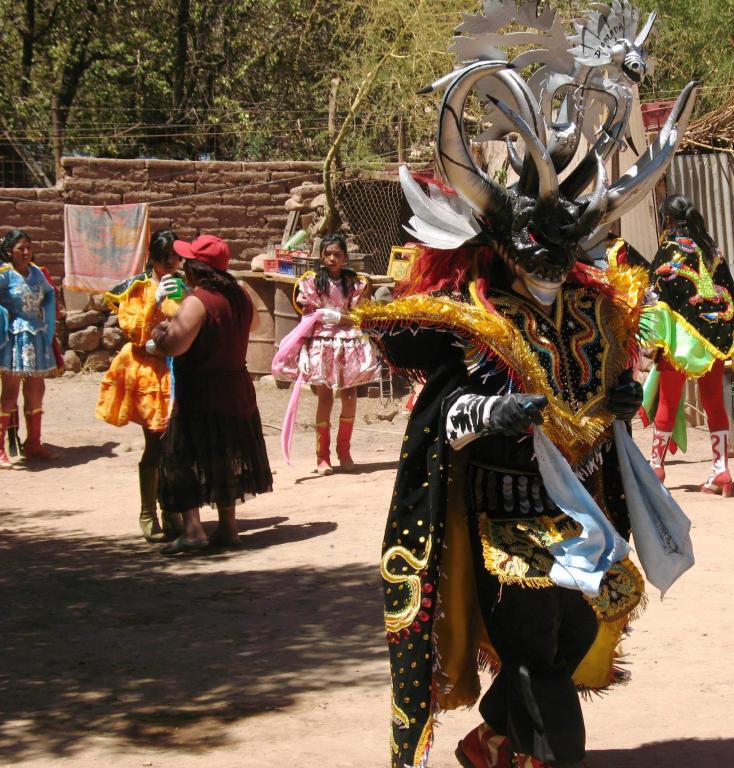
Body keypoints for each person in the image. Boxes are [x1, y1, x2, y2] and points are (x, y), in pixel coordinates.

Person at [356, 58, 697, 768]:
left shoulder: (595, 311)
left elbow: (600, 397)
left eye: (561, 246)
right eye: (533, 244)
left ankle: (491, 739)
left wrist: (620, 404)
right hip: (502, 522)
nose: (546, 259)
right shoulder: (476, 320)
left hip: (580, 518)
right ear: (501, 243)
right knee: (539, 665)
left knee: (572, 642)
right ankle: (552, 756)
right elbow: (441, 413)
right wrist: (492, 412)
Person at [148, 234, 273, 554]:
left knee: (184, 458)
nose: (183, 267)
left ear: (197, 268)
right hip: (236, 389)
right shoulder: (241, 296)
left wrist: (157, 334)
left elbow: (176, 344)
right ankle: (228, 528)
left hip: (201, 393)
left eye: (187, 262)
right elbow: (256, 326)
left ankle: (193, 531)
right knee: (227, 457)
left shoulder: (198, 301)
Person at [637, 195, 734, 496]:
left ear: (669, 221)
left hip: (679, 345)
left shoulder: (669, 250)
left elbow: (655, 297)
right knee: (714, 400)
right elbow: (731, 294)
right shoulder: (712, 250)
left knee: (668, 401)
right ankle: (721, 471)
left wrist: (652, 341)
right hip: (713, 341)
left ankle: (656, 468)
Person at [95, 229, 183, 541]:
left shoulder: (182, 285)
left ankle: (171, 509)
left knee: (177, 447)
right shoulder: (137, 289)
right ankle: (149, 511)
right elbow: (133, 330)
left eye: (176, 256)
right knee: (156, 445)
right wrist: (154, 304)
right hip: (148, 373)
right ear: (155, 259)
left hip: (177, 371)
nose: (172, 262)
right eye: (167, 258)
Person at [279, 233, 379, 473]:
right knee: (324, 398)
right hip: (321, 344)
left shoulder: (356, 284)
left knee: (350, 396)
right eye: (328, 254)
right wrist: (303, 350)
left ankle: (344, 451)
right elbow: (306, 320)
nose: (332, 258)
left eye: (337, 254)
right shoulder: (312, 283)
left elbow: (359, 317)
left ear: (345, 257)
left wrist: (338, 316)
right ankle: (322, 456)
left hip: (348, 343)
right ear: (322, 257)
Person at [0, 229, 57, 468]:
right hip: (13, 339)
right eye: (20, 248)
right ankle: (0, 448)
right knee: (10, 393)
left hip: (36, 337)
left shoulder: (36, 273)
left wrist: (48, 319)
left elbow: (50, 293)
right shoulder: (5, 275)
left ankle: (34, 443)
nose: (26, 252)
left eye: (29, 248)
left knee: (36, 390)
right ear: (9, 252)